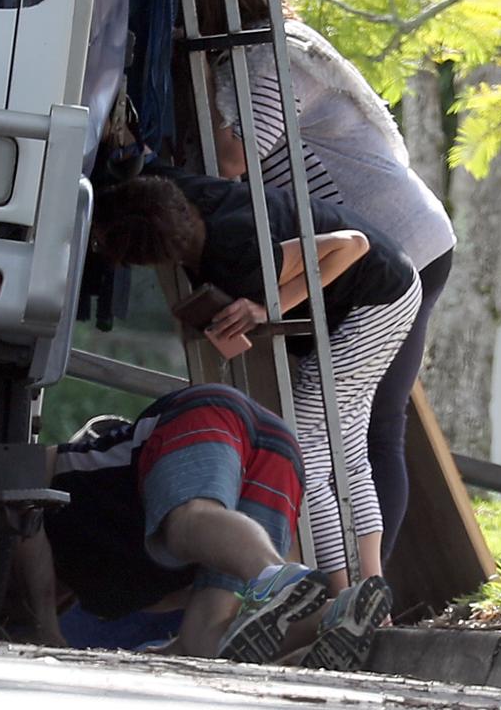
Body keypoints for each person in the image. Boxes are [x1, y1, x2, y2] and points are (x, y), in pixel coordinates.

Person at [186, 0, 455, 560]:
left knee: (350, 424)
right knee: (368, 424)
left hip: (390, 247)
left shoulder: (262, 58)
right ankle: (364, 585)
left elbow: (234, 158)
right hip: (401, 239)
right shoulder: (285, 43)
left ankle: (352, 586)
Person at [92, 167, 422, 597]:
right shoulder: (174, 192)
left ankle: (344, 599)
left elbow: (351, 246)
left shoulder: (237, 247)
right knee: (348, 452)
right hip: (385, 284)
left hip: (378, 298)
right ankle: (370, 591)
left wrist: (267, 306)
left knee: (307, 451)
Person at [14, 383, 392, 670]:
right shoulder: (107, 594)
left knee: (184, 521)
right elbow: (189, 633)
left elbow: (24, 502)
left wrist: (45, 627)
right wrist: (160, 655)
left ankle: (276, 577)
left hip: (211, 413)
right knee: (202, 637)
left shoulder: (63, 493)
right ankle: (335, 616)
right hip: (280, 455)